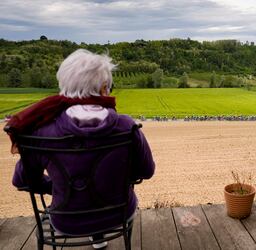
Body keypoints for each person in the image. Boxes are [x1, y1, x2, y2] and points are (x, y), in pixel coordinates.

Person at [6, 49, 155, 248]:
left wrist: (58, 186)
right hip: (118, 214)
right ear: (104, 88)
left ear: (64, 87)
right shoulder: (126, 126)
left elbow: (23, 181)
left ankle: (96, 237)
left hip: (65, 220)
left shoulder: (41, 133)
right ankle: (98, 237)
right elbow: (146, 171)